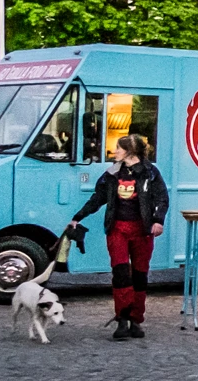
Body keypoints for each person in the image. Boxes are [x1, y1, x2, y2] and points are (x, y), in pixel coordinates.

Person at [68, 134, 168, 341]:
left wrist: (158, 220)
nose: (115, 151)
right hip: (118, 230)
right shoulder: (112, 174)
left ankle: (136, 320)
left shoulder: (150, 173)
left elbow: (161, 198)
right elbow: (98, 198)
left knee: (140, 276)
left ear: (130, 151)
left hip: (142, 230)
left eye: (118, 148)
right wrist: (78, 217)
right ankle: (122, 319)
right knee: (121, 273)